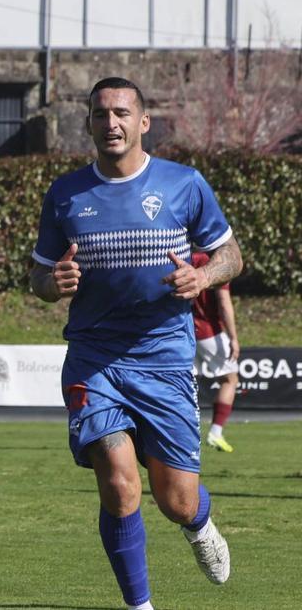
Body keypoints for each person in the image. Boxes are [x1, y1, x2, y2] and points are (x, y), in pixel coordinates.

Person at [30, 77, 242, 610]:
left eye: (122, 113)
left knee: (175, 499)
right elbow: (37, 279)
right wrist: (51, 284)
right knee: (120, 483)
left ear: (143, 122)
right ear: (90, 124)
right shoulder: (65, 194)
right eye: (101, 114)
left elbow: (231, 256)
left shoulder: (184, 184)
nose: (112, 123)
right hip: (93, 358)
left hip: (164, 360)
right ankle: (139, 606)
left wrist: (204, 277)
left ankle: (198, 521)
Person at [191, 250, 241, 453]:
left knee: (185, 383)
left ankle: (186, 433)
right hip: (209, 331)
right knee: (230, 380)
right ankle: (215, 432)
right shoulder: (216, 261)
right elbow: (223, 302)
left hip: (184, 331)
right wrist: (233, 338)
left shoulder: (181, 254)